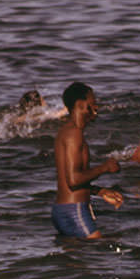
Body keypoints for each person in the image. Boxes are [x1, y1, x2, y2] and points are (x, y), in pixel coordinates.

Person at [52, 81, 123, 238]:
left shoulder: (66, 132)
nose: (96, 107)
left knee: (79, 259)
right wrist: (105, 167)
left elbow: (69, 180)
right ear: (81, 104)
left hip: (65, 210)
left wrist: (100, 191)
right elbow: (73, 179)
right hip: (74, 210)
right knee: (101, 253)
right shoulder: (74, 134)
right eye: (93, 102)